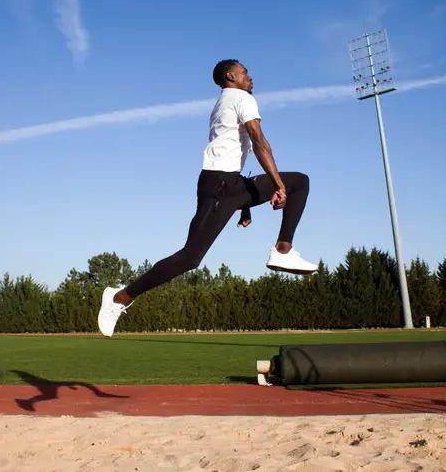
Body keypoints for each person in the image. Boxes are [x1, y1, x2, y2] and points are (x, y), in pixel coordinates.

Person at [97, 59, 318, 337]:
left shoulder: (225, 101)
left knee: (300, 181)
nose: (250, 77)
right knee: (190, 257)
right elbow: (259, 141)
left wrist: (245, 203)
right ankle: (121, 297)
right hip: (219, 186)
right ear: (230, 76)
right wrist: (278, 186)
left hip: (230, 183)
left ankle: (283, 251)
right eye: (245, 72)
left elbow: (230, 152)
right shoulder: (241, 98)